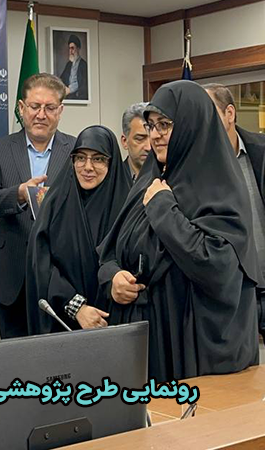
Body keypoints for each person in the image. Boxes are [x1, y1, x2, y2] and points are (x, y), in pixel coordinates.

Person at [97, 80, 259, 382]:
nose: (155, 135)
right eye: (151, 126)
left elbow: (217, 264)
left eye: (165, 125)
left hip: (190, 344)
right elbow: (111, 250)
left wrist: (163, 209)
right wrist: (113, 278)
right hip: (145, 341)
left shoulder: (218, 185)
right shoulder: (150, 180)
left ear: (191, 124)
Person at [0, 73, 75, 338]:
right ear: (21, 108)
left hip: (61, 272)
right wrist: (20, 194)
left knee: (60, 352)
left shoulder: (76, 150)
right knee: (16, 354)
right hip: (11, 273)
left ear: (60, 111)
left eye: (50, 107)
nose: (41, 115)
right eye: (35, 106)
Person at [26, 125, 131, 334]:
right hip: (63, 322)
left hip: (115, 321)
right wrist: (77, 308)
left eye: (98, 159)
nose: (87, 167)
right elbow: (41, 262)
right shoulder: (55, 204)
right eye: (80, 158)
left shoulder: (128, 207)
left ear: (112, 163)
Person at [203, 83, 265, 342]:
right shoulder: (198, 165)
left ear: (230, 113)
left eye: (209, 113)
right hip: (234, 296)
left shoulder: (260, 150)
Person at [120, 101, 150, 181]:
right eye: (140, 139)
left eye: (153, 139)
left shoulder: (170, 178)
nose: (149, 147)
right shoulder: (113, 179)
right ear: (124, 141)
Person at [59, 35, 88, 100]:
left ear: (78, 49)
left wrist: (70, 89)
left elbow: (83, 84)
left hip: (78, 96)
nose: (70, 51)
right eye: (69, 48)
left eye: (72, 48)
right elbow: (62, 79)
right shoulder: (69, 64)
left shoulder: (83, 65)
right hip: (68, 96)